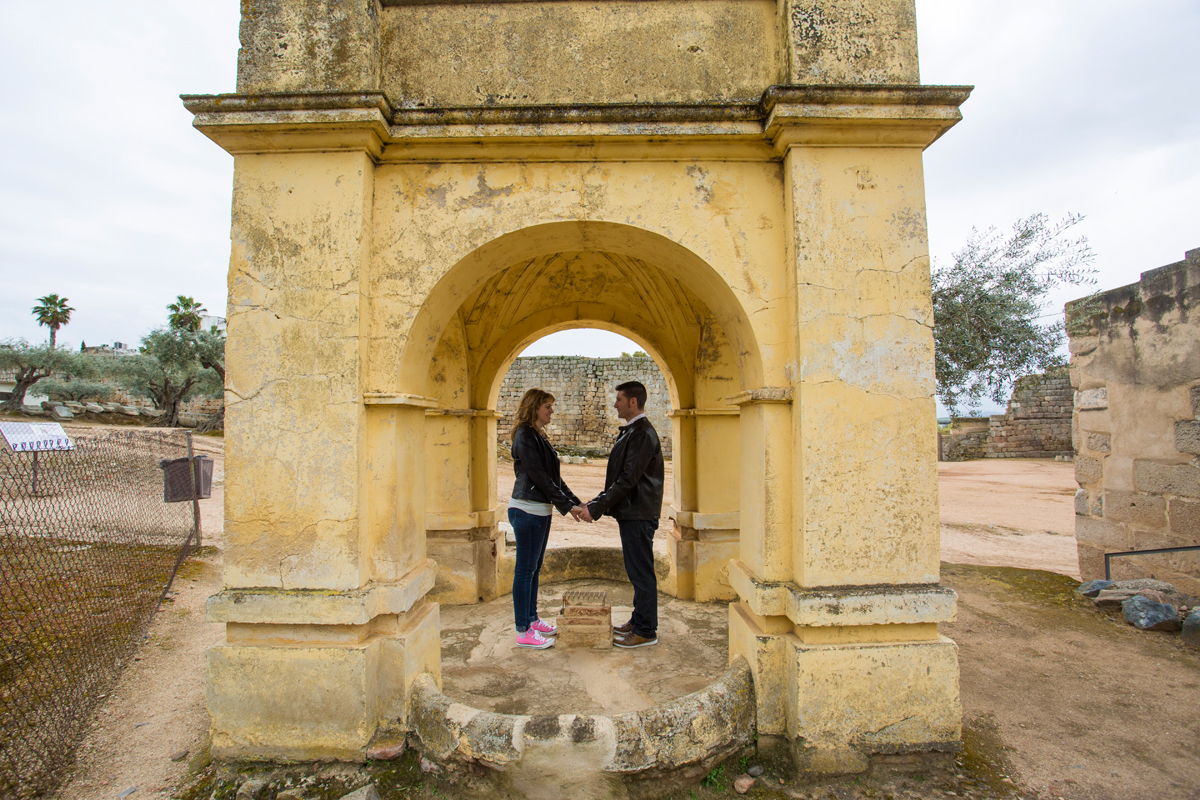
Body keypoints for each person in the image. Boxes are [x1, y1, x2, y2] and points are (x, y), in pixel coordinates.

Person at [575, 381, 665, 648]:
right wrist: (598, 503)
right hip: (634, 513)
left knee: (641, 572)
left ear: (633, 402)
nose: (615, 404)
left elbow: (627, 480)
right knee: (637, 570)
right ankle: (639, 621)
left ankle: (646, 630)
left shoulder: (641, 434)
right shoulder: (634, 431)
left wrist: (596, 507)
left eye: (619, 399)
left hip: (639, 514)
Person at [508, 388, 583, 649]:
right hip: (527, 510)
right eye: (548, 407)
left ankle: (532, 619)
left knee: (533, 569)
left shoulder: (537, 435)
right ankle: (523, 631)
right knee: (525, 571)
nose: (552, 411)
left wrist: (575, 502)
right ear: (534, 407)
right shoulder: (525, 435)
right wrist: (568, 506)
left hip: (539, 511)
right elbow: (539, 477)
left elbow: (554, 478)